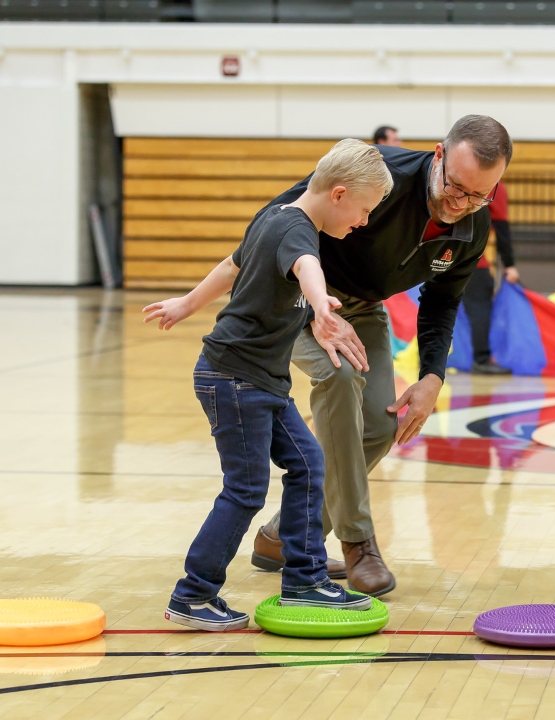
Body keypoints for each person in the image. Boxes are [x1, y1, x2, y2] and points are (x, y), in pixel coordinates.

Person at [247, 116, 512, 597]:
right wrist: (314, 304)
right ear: (437, 155)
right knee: (340, 375)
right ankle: (358, 542)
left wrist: (433, 376)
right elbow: (273, 220)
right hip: (299, 297)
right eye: (456, 186)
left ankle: (280, 538)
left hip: (365, 310)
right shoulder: (379, 173)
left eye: (479, 195)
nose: (462, 203)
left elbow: (442, 301)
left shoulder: (473, 225)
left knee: (381, 426)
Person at [143, 139, 394, 630]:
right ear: (339, 194)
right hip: (235, 379)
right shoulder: (296, 229)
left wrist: (187, 304)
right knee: (246, 490)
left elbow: (231, 265)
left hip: (261, 382)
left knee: (307, 465)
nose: (364, 222)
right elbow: (307, 267)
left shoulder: (275, 217)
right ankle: (193, 594)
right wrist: (321, 306)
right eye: (364, 210)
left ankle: (304, 581)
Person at [462, 183, 518, 374]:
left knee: (440, 309)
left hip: (439, 258)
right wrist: (509, 265)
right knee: (480, 307)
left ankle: (430, 361)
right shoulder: (494, 186)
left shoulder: (452, 180)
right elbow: (502, 228)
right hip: (471, 261)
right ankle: (482, 359)